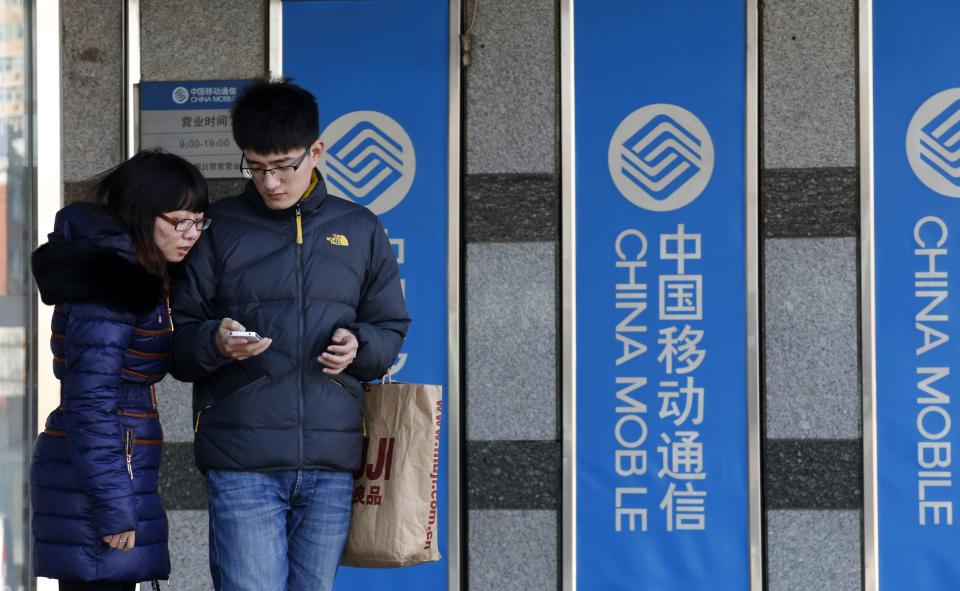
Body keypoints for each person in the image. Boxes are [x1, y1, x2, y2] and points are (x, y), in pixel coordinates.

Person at [169, 79, 410, 591]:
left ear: (315, 151)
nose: (270, 182)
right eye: (256, 167)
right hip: (242, 462)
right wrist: (215, 341)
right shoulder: (218, 229)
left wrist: (360, 347)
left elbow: (390, 327)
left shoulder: (360, 228)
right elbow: (178, 341)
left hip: (331, 460)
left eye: (283, 167)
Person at [30, 150, 210, 591]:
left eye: (199, 221)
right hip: (100, 476)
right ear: (143, 214)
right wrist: (113, 506)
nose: (191, 234)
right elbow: (89, 402)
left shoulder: (134, 272)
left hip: (108, 466)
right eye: (180, 221)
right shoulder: (112, 285)